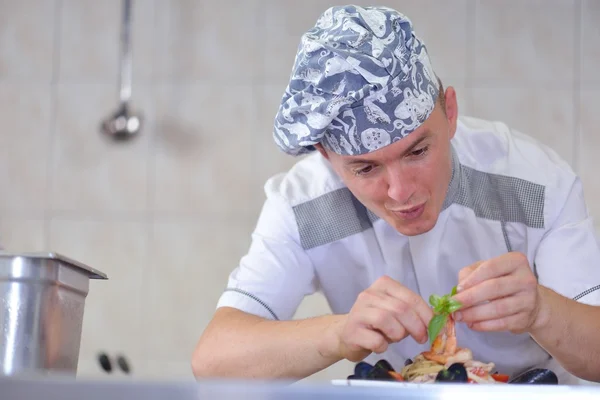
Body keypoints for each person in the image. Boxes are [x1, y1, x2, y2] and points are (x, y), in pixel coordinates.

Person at [191, 5, 600, 384]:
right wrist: (337, 334)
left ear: (450, 113)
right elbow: (213, 361)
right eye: (365, 168)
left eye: (418, 151)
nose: (401, 192)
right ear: (326, 156)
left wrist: (543, 311)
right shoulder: (303, 206)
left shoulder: (535, 184)